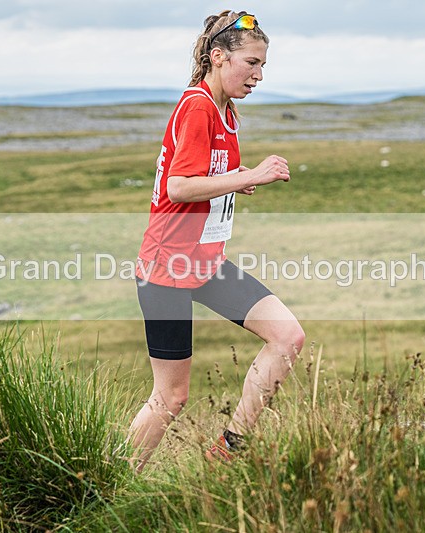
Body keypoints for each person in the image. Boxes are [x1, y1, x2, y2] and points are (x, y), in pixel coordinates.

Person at [129, 10, 305, 473]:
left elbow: (205, 180)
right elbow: (179, 187)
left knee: (288, 336)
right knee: (171, 397)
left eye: (263, 65)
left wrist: (233, 181)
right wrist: (246, 175)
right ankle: (104, 483)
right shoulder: (198, 107)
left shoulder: (226, 112)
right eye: (251, 62)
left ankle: (229, 449)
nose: (258, 75)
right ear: (218, 56)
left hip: (206, 265)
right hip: (168, 268)